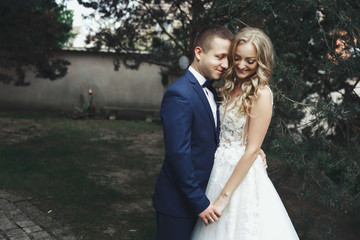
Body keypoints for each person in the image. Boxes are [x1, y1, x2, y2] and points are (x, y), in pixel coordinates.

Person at [191, 27, 299, 239]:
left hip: (241, 176)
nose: (241, 65)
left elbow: (251, 150)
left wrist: (224, 197)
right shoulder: (227, 84)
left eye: (250, 61)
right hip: (217, 168)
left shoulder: (262, 93)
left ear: (261, 61)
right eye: (237, 58)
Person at [152, 25, 233, 240]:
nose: (225, 65)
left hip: (206, 196)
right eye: (220, 57)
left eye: (228, 59)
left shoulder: (213, 92)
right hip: (178, 205)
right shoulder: (180, 94)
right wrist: (199, 202)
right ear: (199, 53)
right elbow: (178, 154)